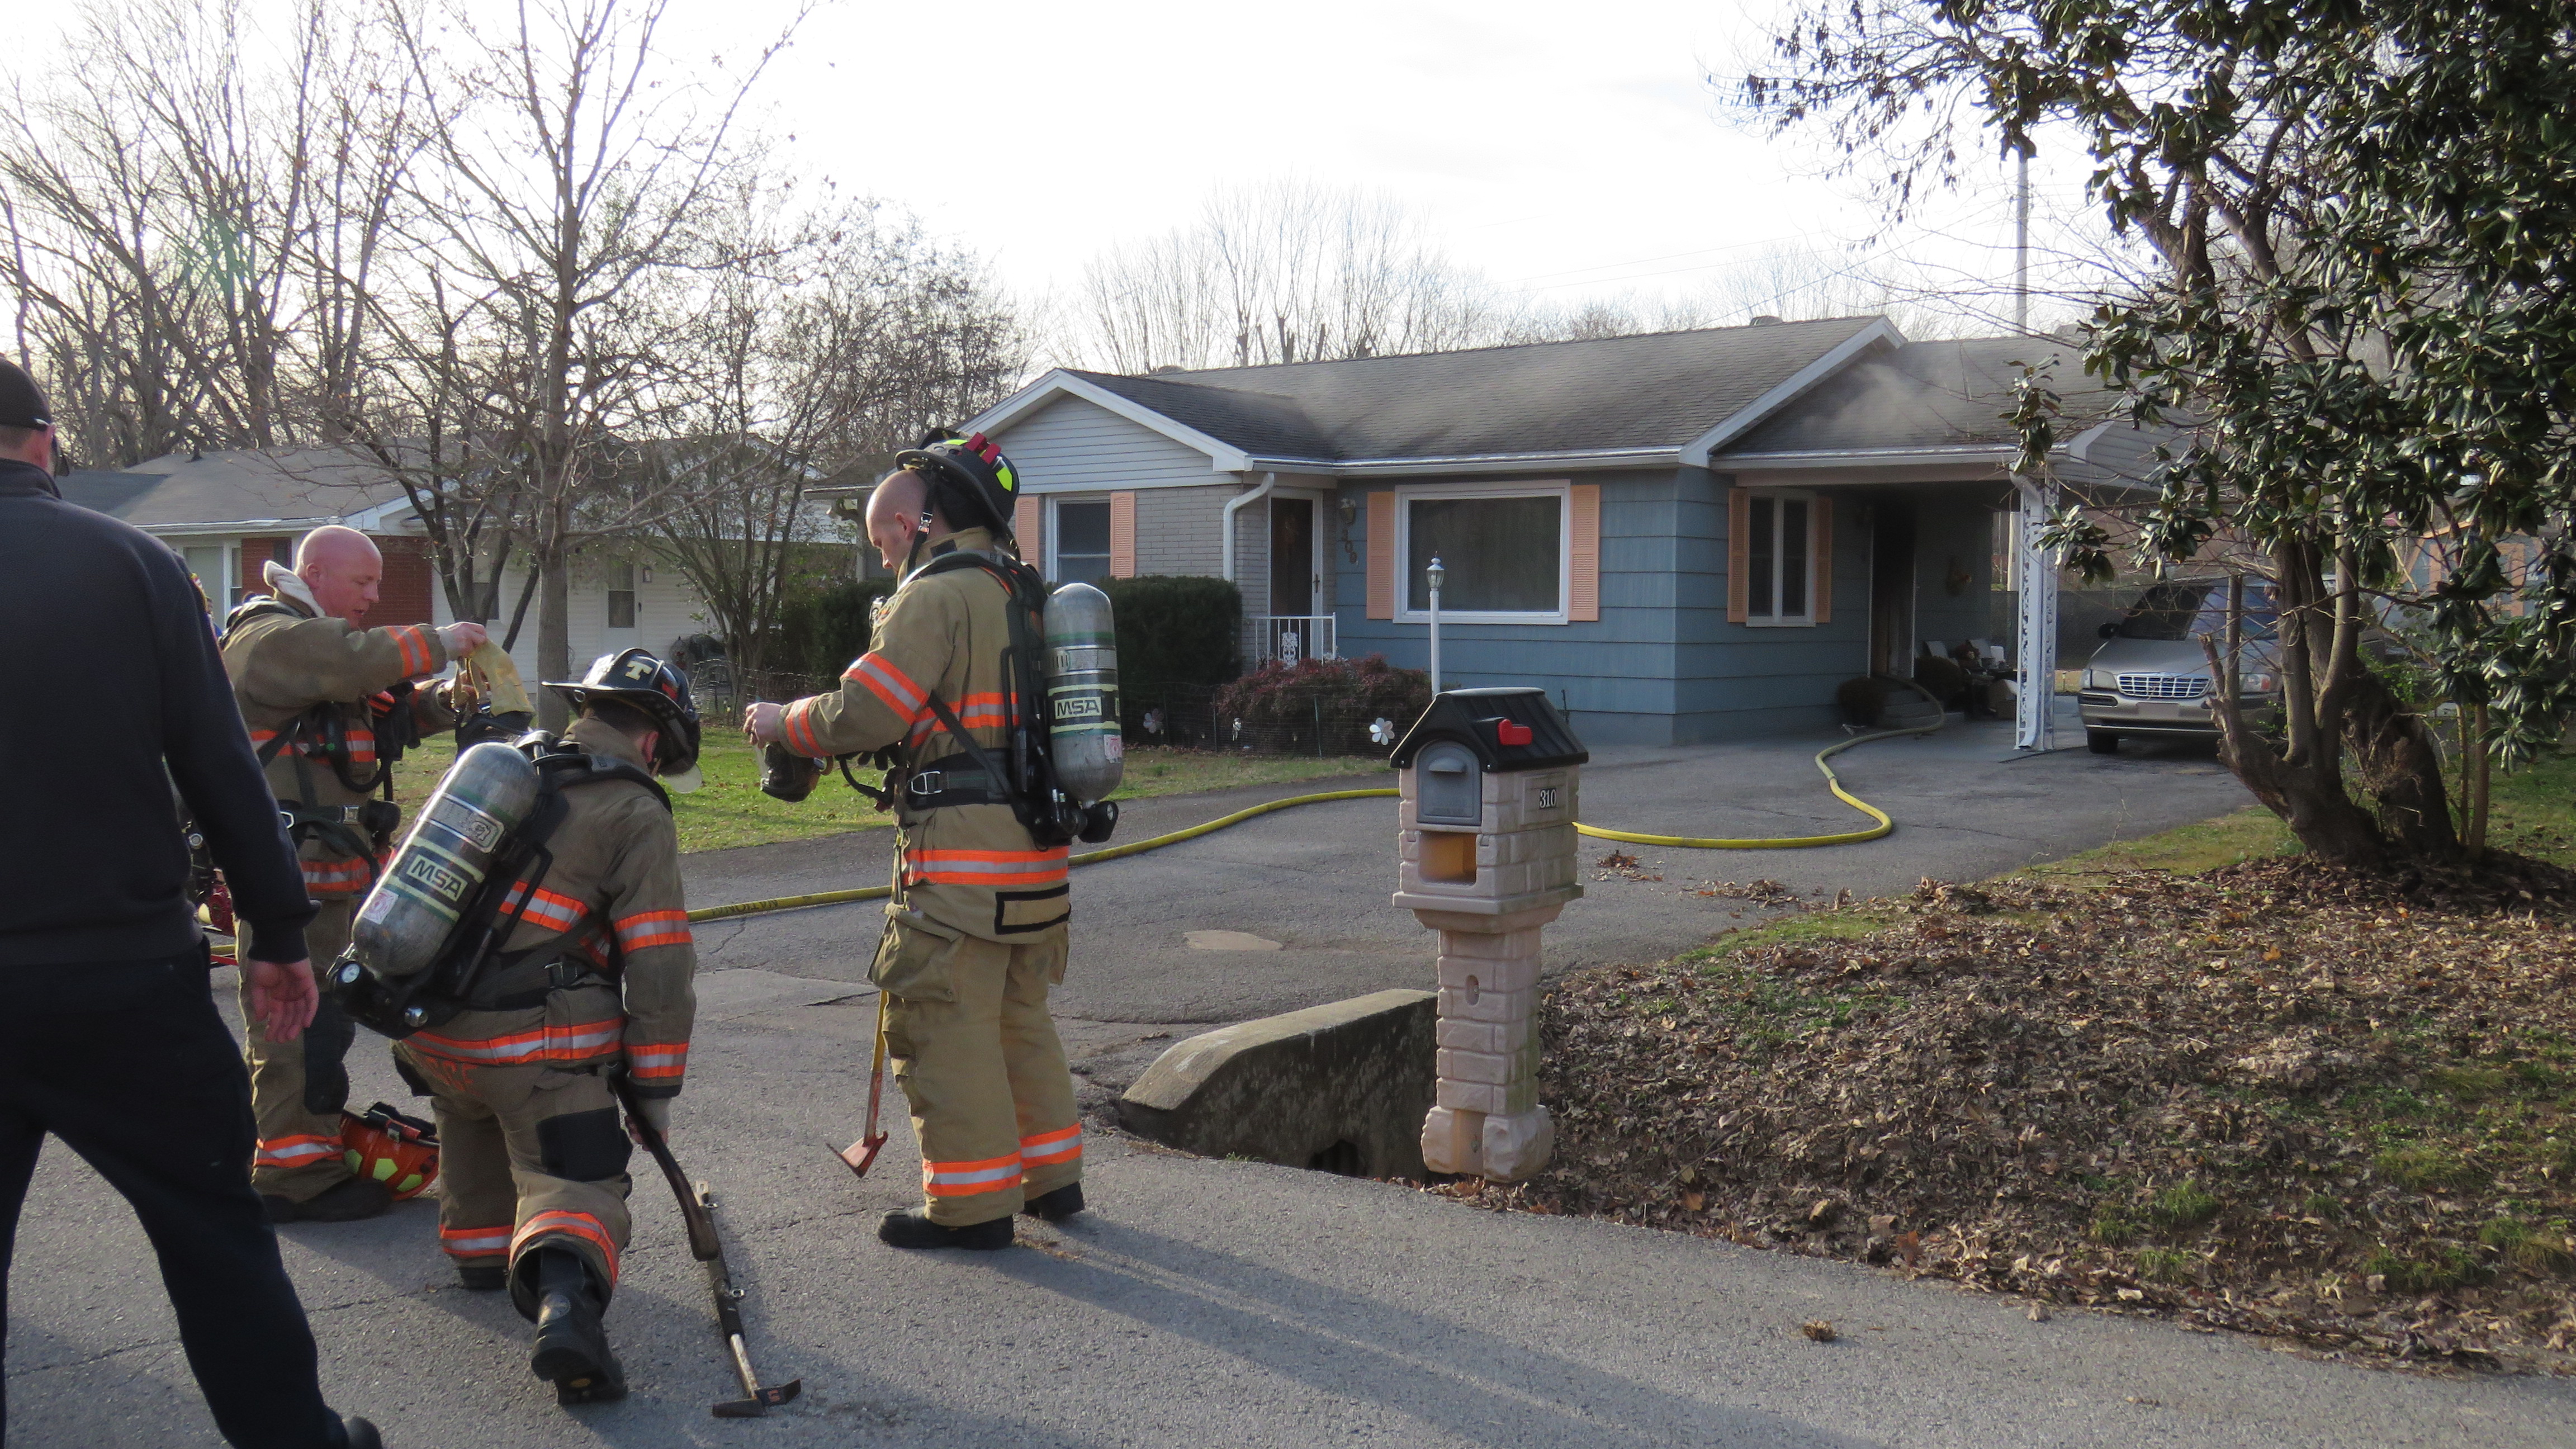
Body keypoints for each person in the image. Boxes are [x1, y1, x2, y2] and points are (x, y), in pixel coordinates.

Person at [0, 359, 384, 1446]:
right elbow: (222, 768)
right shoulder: (135, 567)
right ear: (45, 441)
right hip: (122, 976)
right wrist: (276, 933)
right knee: (214, 1238)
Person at [744, 435, 1083, 1251]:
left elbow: (870, 711)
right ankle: (1053, 1180)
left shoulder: (936, 596)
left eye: (882, 541)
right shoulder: (1023, 592)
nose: (885, 558)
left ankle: (971, 1210)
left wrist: (780, 722)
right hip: (1034, 857)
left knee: (941, 1026)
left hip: (959, 864)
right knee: (1017, 1021)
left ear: (914, 521)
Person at [390, 649, 700, 1406]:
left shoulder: (504, 771)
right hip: (530, 1049)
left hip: (429, 1035)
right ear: (654, 740)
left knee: (475, 1115)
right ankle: (567, 1312)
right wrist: (655, 1085)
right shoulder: (632, 807)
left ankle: (480, 1253)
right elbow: (658, 963)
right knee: (574, 1173)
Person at [222, 525, 484, 1221]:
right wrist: (443, 640)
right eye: (362, 583)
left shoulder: (325, 651)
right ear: (314, 572)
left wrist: (449, 698)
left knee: (329, 1020)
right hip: (287, 879)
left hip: (334, 871)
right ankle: (292, 1174)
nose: (373, 596)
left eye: (377, 584)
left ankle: (311, 1141)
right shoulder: (270, 637)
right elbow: (340, 663)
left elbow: (374, 726)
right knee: (293, 1022)